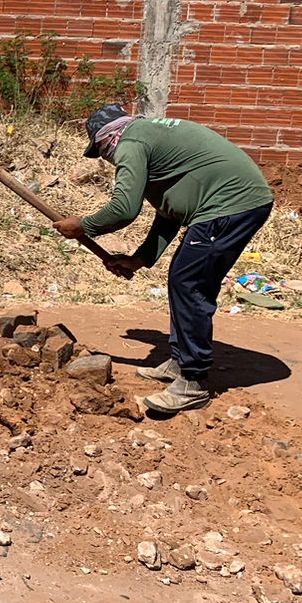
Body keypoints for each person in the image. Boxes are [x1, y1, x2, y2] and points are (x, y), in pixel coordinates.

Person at [53, 105, 273, 414]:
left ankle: (192, 382)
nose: (106, 160)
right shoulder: (151, 137)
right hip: (234, 201)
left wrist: (83, 226)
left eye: (102, 152)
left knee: (189, 283)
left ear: (107, 139)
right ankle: (180, 361)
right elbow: (171, 211)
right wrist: (139, 259)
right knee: (184, 279)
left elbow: (124, 209)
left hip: (232, 203)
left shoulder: (131, 144)